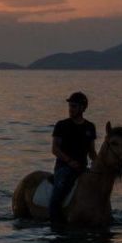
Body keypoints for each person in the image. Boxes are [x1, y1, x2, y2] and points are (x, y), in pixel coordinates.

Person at [49, 91, 96, 226]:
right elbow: (55, 149)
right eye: (70, 106)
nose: (70, 109)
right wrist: (69, 161)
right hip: (64, 168)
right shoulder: (62, 125)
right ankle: (55, 224)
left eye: (74, 106)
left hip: (82, 168)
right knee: (57, 196)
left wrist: (99, 164)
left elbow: (91, 151)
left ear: (83, 108)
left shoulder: (90, 127)